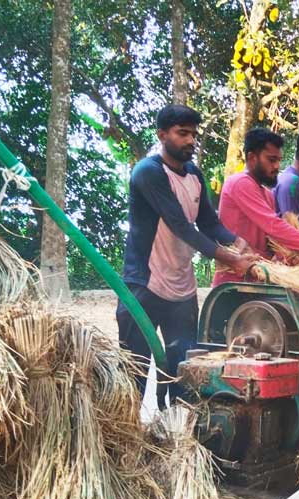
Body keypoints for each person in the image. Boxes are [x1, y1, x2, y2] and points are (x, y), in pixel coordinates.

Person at [117, 104, 256, 409]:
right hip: (144, 286)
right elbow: (180, 225)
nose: (191, 140)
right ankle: (127, 442)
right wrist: (230, 258)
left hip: (181, 290)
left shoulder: (194, 175)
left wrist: (235, 240)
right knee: (133, 374)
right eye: (183, 133)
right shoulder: (148, 173)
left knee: (185, 373)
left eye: (194, 134)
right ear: (162, 135)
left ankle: (178, 439)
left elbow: (208, 223)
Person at [213, 127, 299, 285]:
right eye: (272, 160)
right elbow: (274, 226)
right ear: (252, 157)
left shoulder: (267, 194)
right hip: (235, 283)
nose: (277, 166)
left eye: (279, 160)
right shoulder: (240, 183)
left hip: (258, 280)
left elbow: (272, 239)